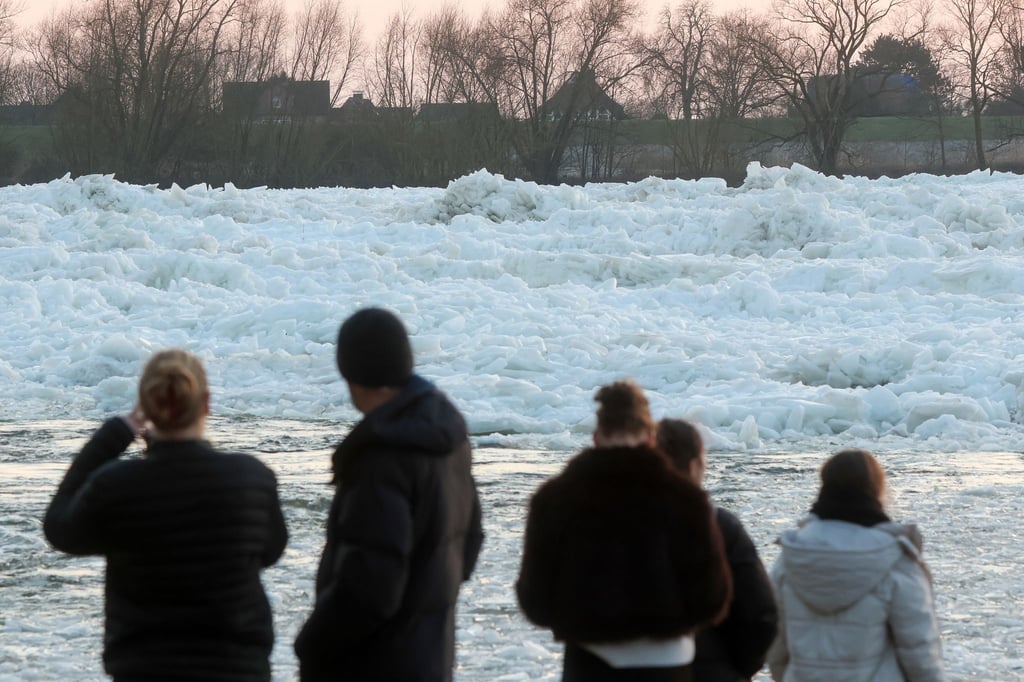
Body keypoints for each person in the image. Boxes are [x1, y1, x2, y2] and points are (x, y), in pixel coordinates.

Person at [44, 348, 288, 681]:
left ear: (147, 408)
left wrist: (121, 430)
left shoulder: (115, 485)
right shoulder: (251, 478)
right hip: (238, 668)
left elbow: (59, 527)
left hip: (144, 669)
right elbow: (271, 551)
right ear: (206, 403)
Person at [294, 307, 484, 682]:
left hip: (374, 664)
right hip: (431, 656)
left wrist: (311, 645)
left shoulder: (381, 458)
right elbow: (471, 540)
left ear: (350, 373)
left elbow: (370, 588)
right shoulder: (447, 436)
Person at [516, 380, 732, 682]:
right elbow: (712, 597)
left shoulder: (554, 499)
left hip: (588, 659)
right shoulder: (686, 500)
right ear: (649, 438)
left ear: (596, 437)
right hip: (667, 662)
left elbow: (534, 601)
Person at [766, 448, 945, 681]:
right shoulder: (893, 559)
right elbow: (920, 655)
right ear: (876, 488)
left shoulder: (793, 557)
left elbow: (776, 646)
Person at [657, 418, 778, 682]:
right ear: (694, 465)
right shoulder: (720, 527)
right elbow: (761, 617)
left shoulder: (611, 526)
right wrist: (733, 670)